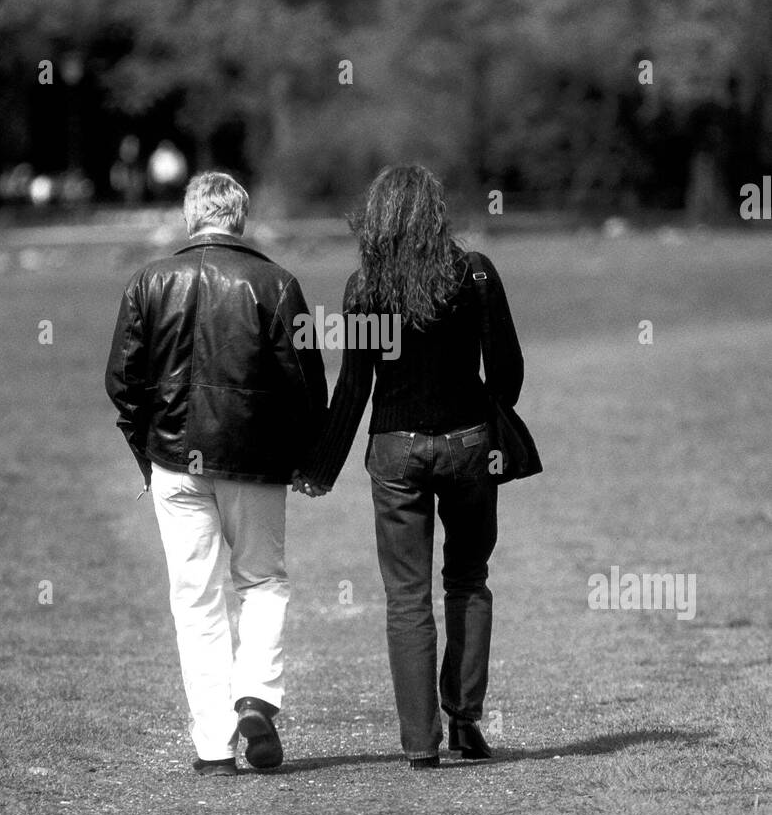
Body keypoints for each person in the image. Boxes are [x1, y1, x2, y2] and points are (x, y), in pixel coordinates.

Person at [295, 164, 525, 770]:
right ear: (436, 212)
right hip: (471, 442)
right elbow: (508, 371)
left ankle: (420, 743)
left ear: (376, 220)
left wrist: (320, 468)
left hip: (394, 449)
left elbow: (353, 386)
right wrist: (488, 417)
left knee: (406, 597)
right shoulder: (474, 273)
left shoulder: (364, 288)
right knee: (469, 580)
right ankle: (467, 723)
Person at [105, 172, 327, 777]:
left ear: (189, 216)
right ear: (241, 218)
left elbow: (123, 383)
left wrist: (144, 455)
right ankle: (255, 697)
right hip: (254, 460)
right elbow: (306, 383)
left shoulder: (149, 280)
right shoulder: (276, 282)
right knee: (261, 582)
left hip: (173, 460)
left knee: (195, 600)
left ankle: (212, 744)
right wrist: (309, 459)